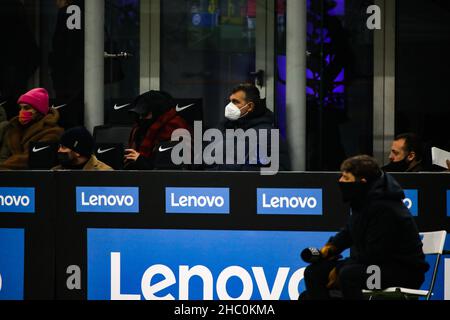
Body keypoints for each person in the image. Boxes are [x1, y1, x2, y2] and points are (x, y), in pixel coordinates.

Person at [301, 155, 429, 300]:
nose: (340, 181)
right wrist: (330, 248)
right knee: (314, 272)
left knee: (349, 275)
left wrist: (338, 269)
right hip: (376, 265)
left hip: (402, 271)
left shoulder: (386, 208)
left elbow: (376, 253)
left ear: (362, 182)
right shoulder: (363, 201)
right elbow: (349, 232)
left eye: (346, 178)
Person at [214, 83, 291, 171]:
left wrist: (227, 168)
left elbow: (280, 172)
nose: (229, 106)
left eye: (235, 102)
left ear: (250, 106)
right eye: (230, 101)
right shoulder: (225, 128)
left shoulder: (268, 135)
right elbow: (203, 160)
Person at [124, 90, 191, 170]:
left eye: (144, 114)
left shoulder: (174, 128)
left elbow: (169, 167)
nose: (141, 118)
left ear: (157, 112)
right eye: (139, 115)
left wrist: (140, 160)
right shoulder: (138, 130)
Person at [0, 88, 64, 170]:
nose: (21, 112)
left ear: (38, 111)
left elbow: (29, 159)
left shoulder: (52, 132)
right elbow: (3, 156)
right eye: (21, 108)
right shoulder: (13, 128)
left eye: (26, 108)